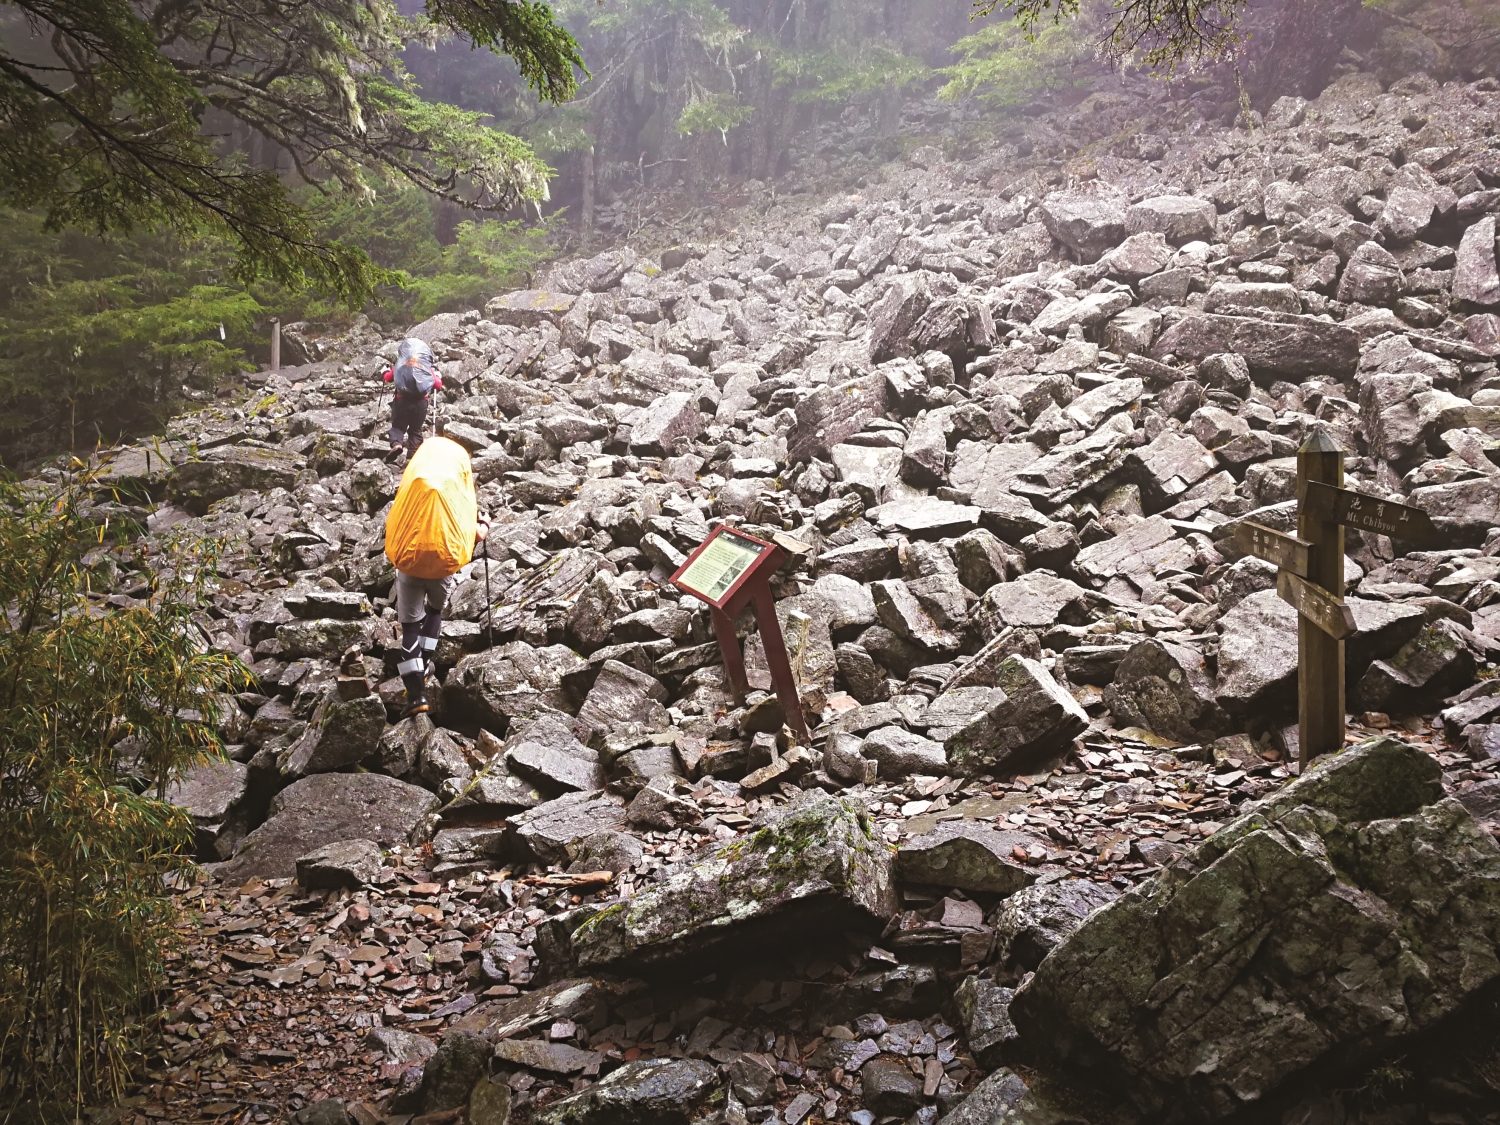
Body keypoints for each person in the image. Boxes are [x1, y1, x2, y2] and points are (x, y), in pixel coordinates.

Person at [384, 435, 489, 717]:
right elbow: (475, 534)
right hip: (443, 563)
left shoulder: (415, 486)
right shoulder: (453, 491)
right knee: (434, 611)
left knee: (409, 627)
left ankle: (416, 695)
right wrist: (484, 526)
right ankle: (425, 664)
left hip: (410, 563)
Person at [382, 337, 442, 463]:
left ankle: (397, 444)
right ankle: (413, 459)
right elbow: (437, 385)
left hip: (402, 401)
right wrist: (437, 376)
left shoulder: (401, 364)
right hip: (421, 403)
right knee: (415, 430)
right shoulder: (426, 367)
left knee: (398, 427)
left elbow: (387, 378)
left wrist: (385, 371)